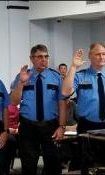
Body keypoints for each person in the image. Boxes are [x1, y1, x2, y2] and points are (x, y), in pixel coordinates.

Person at [61, 42, 105, 174]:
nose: (101, 57)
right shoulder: (80, 76)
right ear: (90, 56)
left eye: (103, 54)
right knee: (86, 167)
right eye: (98, 54)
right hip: (87, 127)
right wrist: (74, 67)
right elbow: (65, 92)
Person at [11, 44, 66, 175]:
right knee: (28, 165)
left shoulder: (56, 77)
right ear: (32, 58)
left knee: (53, 165)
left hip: (51, 126)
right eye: (40, 57)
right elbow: (14, 101)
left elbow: (62, 103)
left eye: (46, 56)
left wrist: (61, 127)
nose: (44, 59)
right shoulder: (23, 76)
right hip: (28, 127)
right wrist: (21, 84)